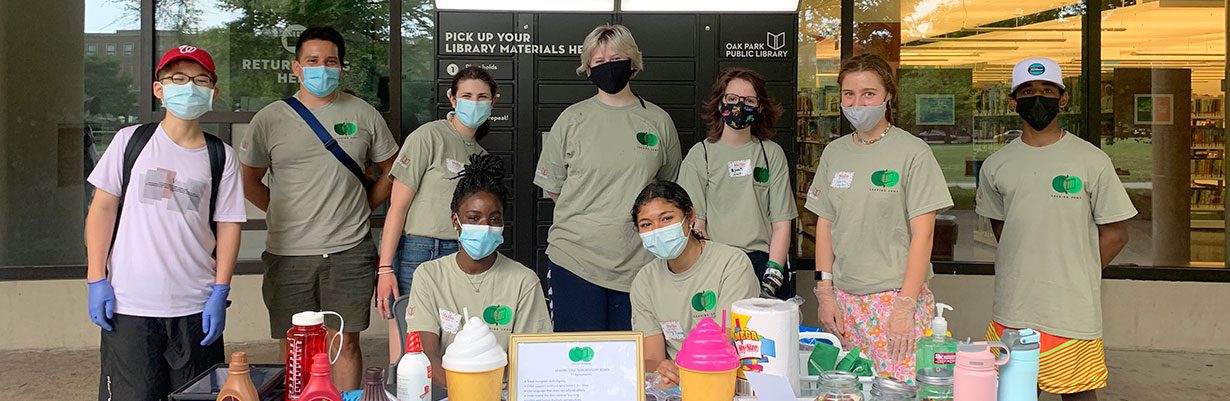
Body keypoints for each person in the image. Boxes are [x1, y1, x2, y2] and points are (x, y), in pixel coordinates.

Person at [238, 26, 399, 390]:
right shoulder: (270, 119)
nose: (321, 68)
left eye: (330, 61)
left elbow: (394, 170)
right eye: (312, 61)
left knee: (344, 340)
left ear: (342, 67)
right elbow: (249, 181)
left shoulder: (364, 114)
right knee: (295, 343)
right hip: (288, 253)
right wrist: (281, 210)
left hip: (349, 251)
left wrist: (363, 205)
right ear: (297, 67)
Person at [85, 45, 246, 401]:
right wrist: (96, 277)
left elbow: (229, 225)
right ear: (159, 89)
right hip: (130, 306)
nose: (189, 86)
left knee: (196, 396)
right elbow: (102, 210)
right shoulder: (130, 141)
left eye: (199, 79)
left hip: (194, 305)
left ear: (213, 92)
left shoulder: (221, 156)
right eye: (178, 78)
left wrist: (220, 291)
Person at [978, 58, 1135, 401]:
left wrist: (1079, 270)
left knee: (1077, 394)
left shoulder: (1092, 161)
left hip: (1071, 308)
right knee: (1014, 392)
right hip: (1015, 304)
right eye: (1029, 91)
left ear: (1063, 99)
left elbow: (1116, 233)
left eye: (1048, 90)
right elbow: (1003, 228)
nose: (1039, 98)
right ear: (1013, 101)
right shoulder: (996, 166)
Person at [805, 53, 953, 382]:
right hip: (844, 303)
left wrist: (905, 307)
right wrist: (825, 294)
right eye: (849, 94)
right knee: (848, 388)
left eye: (868, 93)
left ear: (888, 95)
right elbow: (825, 226)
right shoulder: (834, 152)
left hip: (894, 300)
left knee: (897, 389)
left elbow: (923, 236)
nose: (857, 103)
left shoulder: (913, 153)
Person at [534, 24, 682, 332]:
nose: (608, 67)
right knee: (578, 361)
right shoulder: (572, 120)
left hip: (641, 264)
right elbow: (555, 191)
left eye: (616, 58)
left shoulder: (657, 121)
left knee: (631, 364)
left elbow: (668, 192)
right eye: (599, 62)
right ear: (588, 68)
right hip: (575, 259)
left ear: (633, 61)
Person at [404, 154, 554, 389]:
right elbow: (428, 353)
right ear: (456, 221)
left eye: (494, 219)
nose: (485, 227)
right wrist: (465, 393)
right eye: (473, 218)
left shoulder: (523, 281)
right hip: (446, 391)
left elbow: (530, 360)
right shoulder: (429, 276)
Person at [376, 66, 497, 319]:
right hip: (420, 250)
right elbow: (397, 206)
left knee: (453, 336)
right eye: (466, 96)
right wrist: (385, 268)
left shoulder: (482, 156)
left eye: (482, 97)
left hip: (464, 252)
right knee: (411, 333)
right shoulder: (429, 136)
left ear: (492, 102)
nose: (474, 103)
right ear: (452, 98)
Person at [676, 68, 797, 299]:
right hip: (717, 261)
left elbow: (781, 222)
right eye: (732, 99)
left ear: (759, 106)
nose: (739, 106)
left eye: (749, 100)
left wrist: (773, 273)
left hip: (763, 261)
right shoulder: (700, 155)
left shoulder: (771, 154)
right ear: (720, 102)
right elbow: (696, 224)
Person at [630, 180, 759, 387]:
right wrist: (662, 369)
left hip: (726, 382)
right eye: (646, 224)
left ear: (690, 216)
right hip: (674, 384)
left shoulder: (732, 264)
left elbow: (723, 344)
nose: (657, 230)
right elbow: (652, 359)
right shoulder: (644, 282)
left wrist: (681, 369)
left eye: (667, 218)